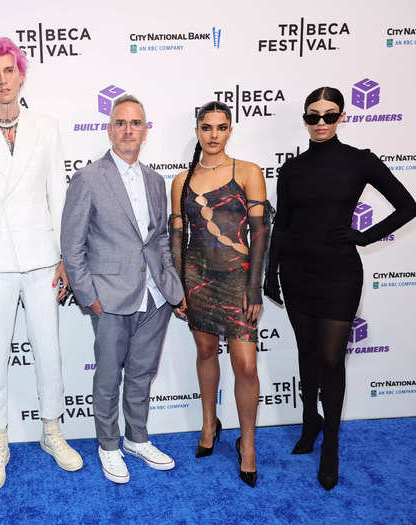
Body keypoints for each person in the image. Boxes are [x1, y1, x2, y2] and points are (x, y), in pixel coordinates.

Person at [264, 86, 416, 490]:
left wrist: (365, 236)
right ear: (304, 118)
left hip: (338, 274)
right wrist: (269, 273)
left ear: (341, 117)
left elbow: (408, 205)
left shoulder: (359, 161)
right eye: (312, 115)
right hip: (296, 272)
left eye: (329, 116)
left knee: (331, 360)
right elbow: (283, 225)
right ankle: (309, 422)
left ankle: (330, 442)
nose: (320, 123)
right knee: (307, 354)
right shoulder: (292, 169)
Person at [0, 37, 82, 491]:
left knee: (49, 350)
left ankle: (52, 432)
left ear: (22, 74)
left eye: (10, 71)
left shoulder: (47, 126)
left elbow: (58, 195)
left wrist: (66, 257)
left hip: (43, 258)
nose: (3, 80)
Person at [62, 95, 184, 484]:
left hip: (155, 296)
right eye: (121, 122)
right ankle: (108, 445)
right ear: (109, 128)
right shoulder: (87, 179)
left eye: (136, 123)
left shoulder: (154, 180)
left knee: (142, 373)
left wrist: (171, 285)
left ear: (146, 130)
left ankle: (137, 438)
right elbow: (72, 245)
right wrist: (89, 296)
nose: (128, 129)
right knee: (109, 375)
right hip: (110, 297)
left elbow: (160, 238)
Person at [170, 101, 270, 488]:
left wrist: (254, 288)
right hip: (197, 276)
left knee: (245, 365)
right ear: (197, 130)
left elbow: (260, 233)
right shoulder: (181, 180)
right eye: (207, 127)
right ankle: (209, 424)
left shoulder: (247, 172)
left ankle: (248, 445)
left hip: (237, 277)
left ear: (230, 131)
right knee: (206, 352)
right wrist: (179, 285)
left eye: (221, 127)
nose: (213, 134)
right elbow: (178, 236)